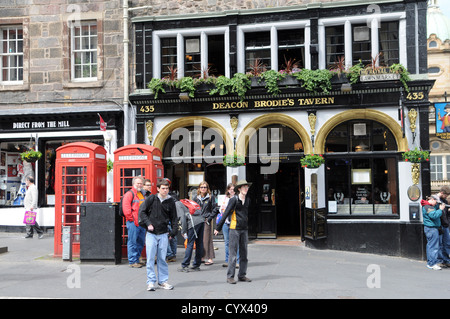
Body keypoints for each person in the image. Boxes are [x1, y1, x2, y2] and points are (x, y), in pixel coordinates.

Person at [139, 179, 178, 291]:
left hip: (164, 233)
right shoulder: (152, 198)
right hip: (151, 233)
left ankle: (163, 281)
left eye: (167, 188)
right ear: (158, 189)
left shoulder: (171, 201)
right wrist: (148, 223)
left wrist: (173, 232)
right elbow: (142, 211)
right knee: (150, 258)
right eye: (163, 188)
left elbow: (174, 218)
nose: (165, 190)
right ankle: (151, 282)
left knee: (162, 258)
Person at [215, 179, 252, 284]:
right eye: (244, 187)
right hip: (234, 228)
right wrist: (218, 227)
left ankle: (242, 275)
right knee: (233, 253)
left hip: (244, 229)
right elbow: (226, 213)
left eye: (247, 187)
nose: (246, 189)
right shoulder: (234, 200)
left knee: (244, 253)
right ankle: (230, 276)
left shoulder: (248, 199)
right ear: (239, 189)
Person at [122, 176, 146, 268]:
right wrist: (131, 219)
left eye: (141, 183)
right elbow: (126, 209)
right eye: (138, 183)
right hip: (133, 222)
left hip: (142, 222)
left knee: (140, 241)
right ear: (133, 184)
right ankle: (132, 261)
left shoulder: (141, 194)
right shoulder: (129, 194)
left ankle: (137, 259)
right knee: (132, 242)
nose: (139, 185)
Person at [195, 181, 219, 266]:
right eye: (201, 187)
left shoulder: (210, 197)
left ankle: (209, 258)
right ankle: (202, 257)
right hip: (198, 220)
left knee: (207, 239)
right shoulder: (196, 198)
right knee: (200, 239)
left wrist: (209, 218)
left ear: (207, 188)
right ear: (199, 188)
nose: (203, 189)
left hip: (206, 219)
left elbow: (215, 209)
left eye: (205, 187)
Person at [178, 198, 205, 272]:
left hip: (193, 223)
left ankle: (185, 265)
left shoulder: (177, 205)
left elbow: (182, 218)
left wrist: (183, 231)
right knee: (199, 243)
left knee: (190, 243)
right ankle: (197, 264)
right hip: (201, 220)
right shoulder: (186, 202)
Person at [421, 195, 445, 270]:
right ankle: (432, 263)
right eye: (436, 202)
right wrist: (440, 210)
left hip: (430, 228)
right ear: (432, 199)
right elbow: (433, 215)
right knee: (433, 246)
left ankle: (430, 262)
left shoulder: (428, 206)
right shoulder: (428, 207)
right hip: (431, 228)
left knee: (430, 246)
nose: (436, 204)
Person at [219, 183, 239, 268]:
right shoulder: (225, 198)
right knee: (227, 242)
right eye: (230, 189)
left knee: (235, 242)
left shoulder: (237, 199)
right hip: (225, 222)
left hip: (234, 222)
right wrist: (222, 209)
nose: (232, 191)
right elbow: (220, 210)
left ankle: (237, 261)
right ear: (228, 190)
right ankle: (227, 260)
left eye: (233, 189)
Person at [436, 186, 450, 268]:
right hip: (439, 225)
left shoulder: (444, 201)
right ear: (442, 193)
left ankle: (446, 260)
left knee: (447, 243)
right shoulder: (436, 200)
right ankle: (440, 260)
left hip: (445, 224)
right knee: (440, 244)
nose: (446, 197)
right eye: (446, 195)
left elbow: (446, 215)